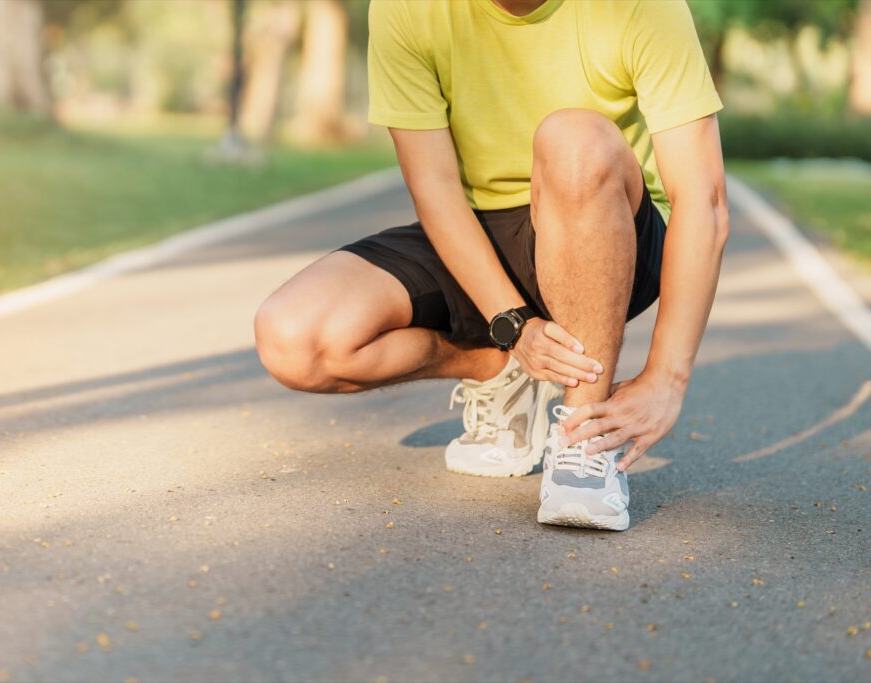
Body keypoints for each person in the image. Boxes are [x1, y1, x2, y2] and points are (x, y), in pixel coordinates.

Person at [254, 0, 730, 531]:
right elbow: (435, 190)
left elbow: (702, 202)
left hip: (608, 222)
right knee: (294, 339)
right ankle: (501, 369)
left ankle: (582, 443)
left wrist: (667, 377)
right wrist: (512, 326)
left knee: (572, 140)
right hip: (479, 227)